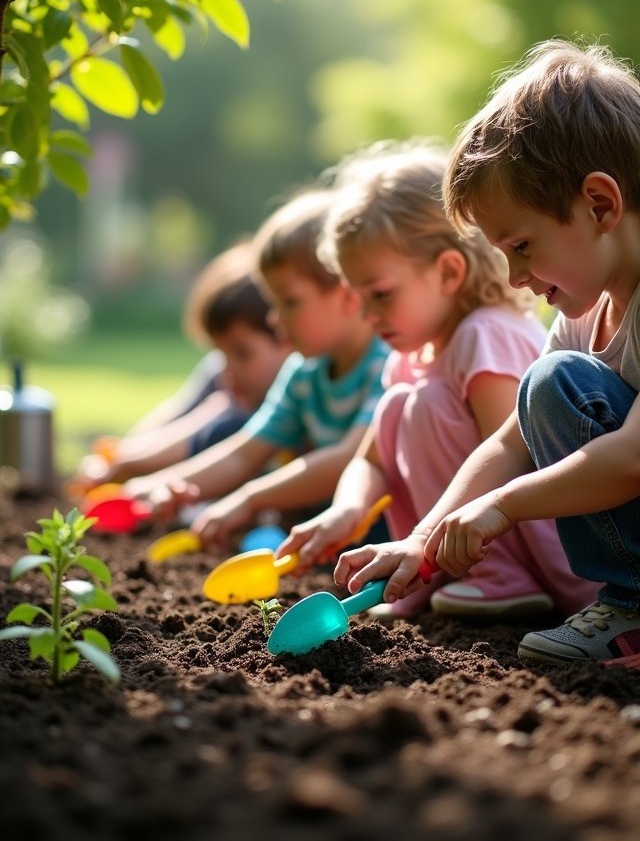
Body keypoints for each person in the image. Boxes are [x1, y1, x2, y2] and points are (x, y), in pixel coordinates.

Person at [334, 40, 640, 668]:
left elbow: (634, 457)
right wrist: (423, 540)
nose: (514, 275)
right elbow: (509, 441)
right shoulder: (582, 319)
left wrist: (502, 506)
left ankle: (632, 610)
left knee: (551, 378)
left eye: (523, 245)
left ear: (601, 205)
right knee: (546, 384)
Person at [277, 139, 594, 619]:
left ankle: (498, 577)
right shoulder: (412, 355)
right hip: (462, 537)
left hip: (555, 546)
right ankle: (431, 571)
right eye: (358, 296)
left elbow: (515, 456)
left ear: (447, 272)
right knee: (400, 403)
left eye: (380, 294)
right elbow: (372, 459)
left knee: (423, 402)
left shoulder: (485, 334)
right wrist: (347, 509)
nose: (367, 313)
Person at [124, 186, 390, 550]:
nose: (275, 319)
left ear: (347, 292)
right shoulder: (303, 371)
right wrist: (162, 486)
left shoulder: (387, 361)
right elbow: (245, 452)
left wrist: (251, 498)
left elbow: (348, 458)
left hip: (386, 534)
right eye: (272, 302)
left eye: (289, 302)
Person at [72, 240, 290, 489]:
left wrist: (127, 465)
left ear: (286, 337)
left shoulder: (275, 402)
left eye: (241, 353)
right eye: (220, 352)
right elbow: (180, 413)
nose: (225, 370)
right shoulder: (225, 376)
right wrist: (123, 455)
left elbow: (201, 438)